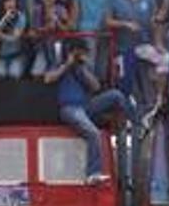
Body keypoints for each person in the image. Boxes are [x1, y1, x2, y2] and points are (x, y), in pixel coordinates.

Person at [44, 39, 139, 184]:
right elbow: (48, 79)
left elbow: (95, 87)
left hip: (86, 106)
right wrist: (67, 65)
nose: (80, 55)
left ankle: (135, 123)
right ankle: (93, 173)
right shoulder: (60, 64)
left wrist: (81, 69)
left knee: (116, 95)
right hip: (70, 108)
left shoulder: (83, 67)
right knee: (94, 133)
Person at [105, 0, 160, 112]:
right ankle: (130, 118)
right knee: (129, 87)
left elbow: (154, 22)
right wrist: (125, 24)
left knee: (159, 70)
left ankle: (154, 110)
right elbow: (108, 21)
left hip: (145, 46)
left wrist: (158, 43)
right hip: (124, 49)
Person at [30, 0, 71, 77]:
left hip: (58, 46)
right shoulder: (37, 10)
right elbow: (34, 30)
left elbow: (67, 29)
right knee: (36, 73)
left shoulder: (61, 9)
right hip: (42, 46)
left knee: (56, 70)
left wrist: (57, 21)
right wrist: (45, 28)